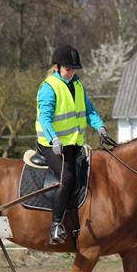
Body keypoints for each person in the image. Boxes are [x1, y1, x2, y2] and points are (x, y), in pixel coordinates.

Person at [35, 44, 115, 244]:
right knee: (67, 177)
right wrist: (53, 138)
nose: (71, 72)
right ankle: (56, 226)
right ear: (58, 67)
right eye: (68, 68)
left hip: (73, 144)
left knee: (91, 175)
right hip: (50, 144)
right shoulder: (49, 87)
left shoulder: (78, 85)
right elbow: (44, 118)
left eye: (74, 69)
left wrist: (101, 127)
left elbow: (89, 111)